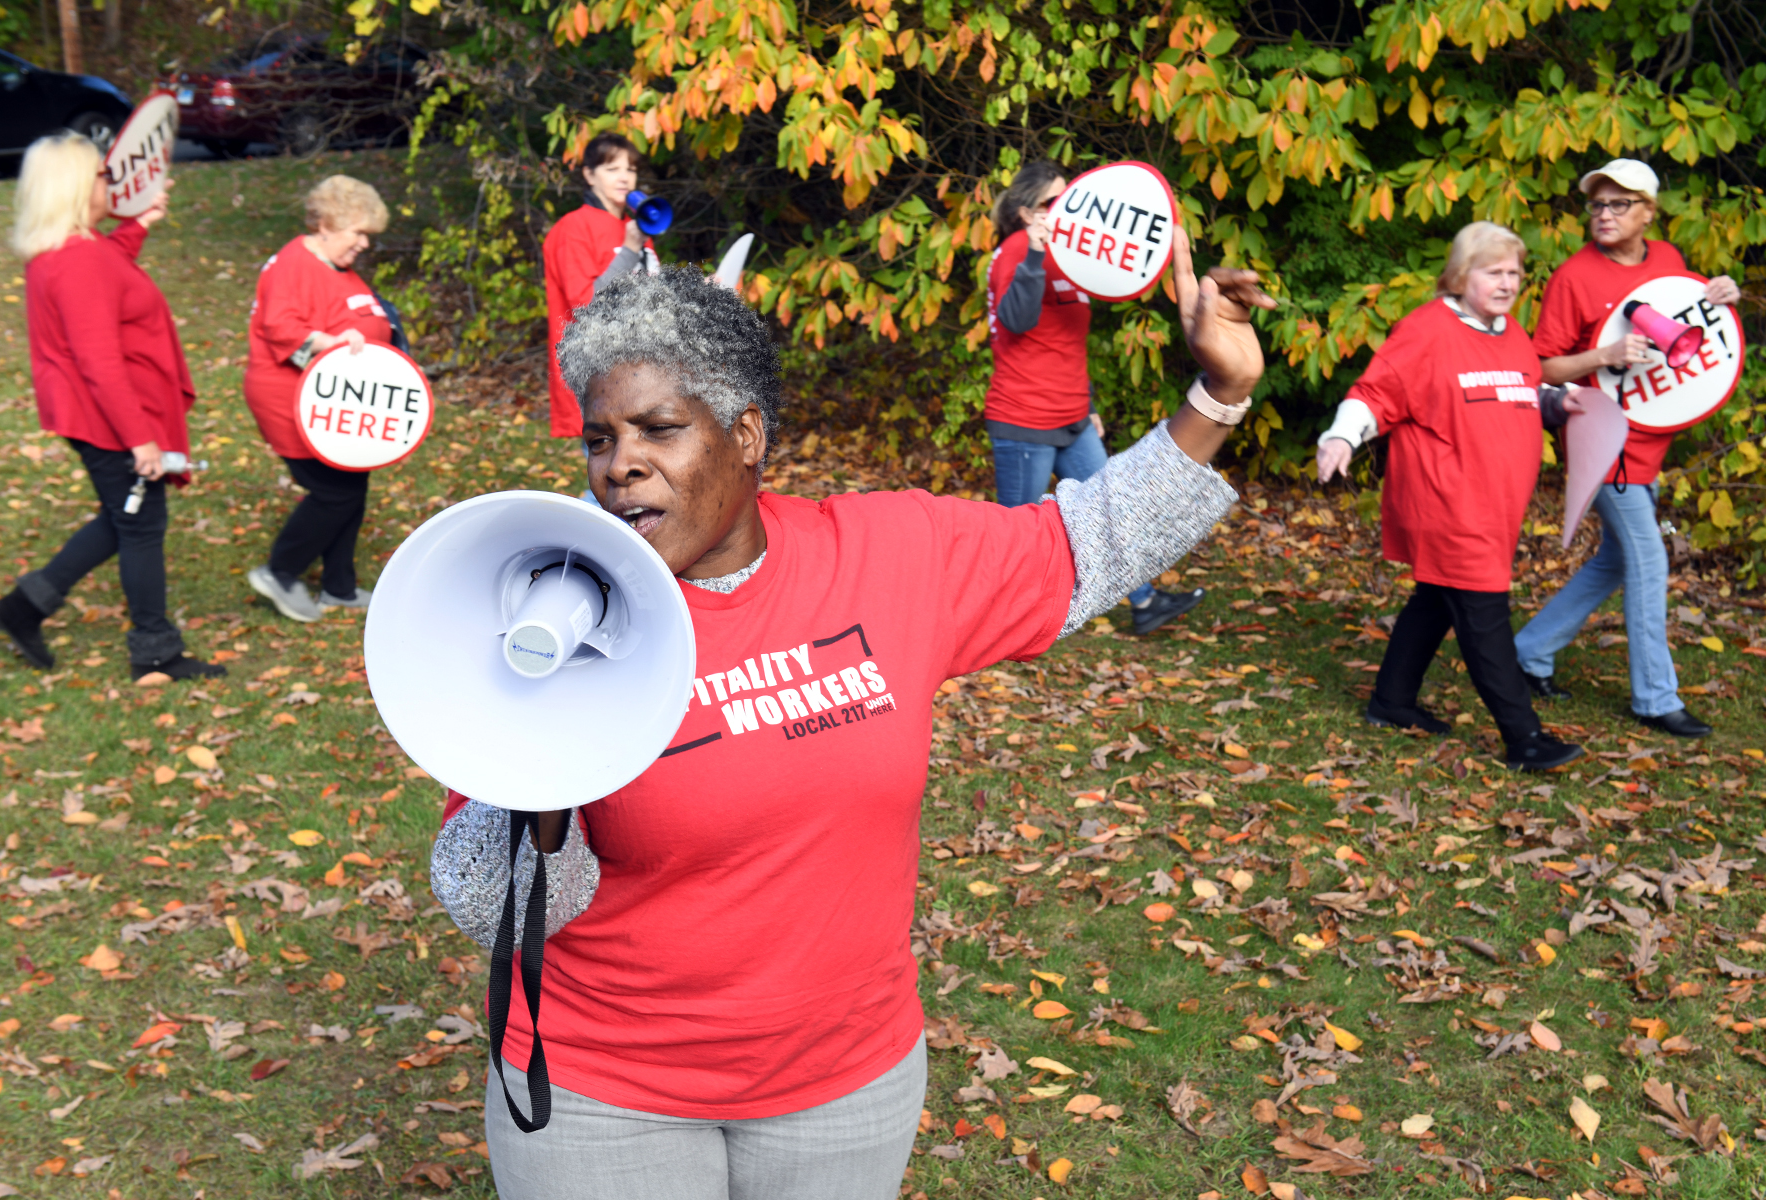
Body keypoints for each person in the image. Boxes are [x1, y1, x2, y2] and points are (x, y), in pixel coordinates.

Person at [427, 234, 1273, 1199]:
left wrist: (1217, 397)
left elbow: (1090, 544)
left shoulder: (890, 554)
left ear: (745, 434)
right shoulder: (549, 612)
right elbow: (497, 905)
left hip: (844, 1085)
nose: (620, 467)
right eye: (601, 439)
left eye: (659, 430)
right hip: (606, 1096)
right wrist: (543, 762)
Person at [1315, 221, 1583, 772]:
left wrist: (1559, 403)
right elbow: (1375, 390)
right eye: (1493, 272)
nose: (1507, 283)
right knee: (1483, 614)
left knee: (1437, 598)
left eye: (1514, 273)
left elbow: (1520, 391)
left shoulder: (1509, 331)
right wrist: (1342, 435)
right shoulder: (1427, 331)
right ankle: (1524, 737)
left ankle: (1391, 702)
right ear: (1461, 275)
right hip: (1449, 502)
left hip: (1495, 504)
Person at [1512, 159, 1742, 739]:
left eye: (1619, 205)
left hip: (1650, 440)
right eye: (1596, 205)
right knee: (1647, 560)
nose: (1604, 215)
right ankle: (1655, 698)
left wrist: (1720, 298)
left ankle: (1528, 653)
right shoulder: (1574, 277)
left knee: (1617, 559)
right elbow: (1541, 367)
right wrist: (1603, 358)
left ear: (1648, 212)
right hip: (1601, 437)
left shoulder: (1668, 264)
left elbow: (1693, 336)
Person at [0, 133, 224, 683]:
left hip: (94, 413)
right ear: (74, 187)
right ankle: (155, 654)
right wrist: (140, 439)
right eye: (100, 175)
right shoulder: (78, 261)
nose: (109, 182)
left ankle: (22, 608)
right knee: (142, 525)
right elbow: (99, 360)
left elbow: (109, 268)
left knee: (125, 518)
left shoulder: (70, 250)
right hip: (109, 416)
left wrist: (140, 223)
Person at [985, 160, 1205, 635]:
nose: (1067, 211)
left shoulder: (1074, 257)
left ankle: (1145, 603)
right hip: (1025, 419)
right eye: (1054, 203)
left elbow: (1065, 344)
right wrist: (1034, 257)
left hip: (1072, 419)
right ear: (1027, 213)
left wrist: (1088, 406)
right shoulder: (1018, 251)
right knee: (1019, 536)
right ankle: (1001, 625)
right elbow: (1016, 323)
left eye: (1072, 200)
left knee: (1114, 513)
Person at [242, 175, 393, 623]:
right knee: (335, 492)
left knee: (351, 485)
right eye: (359, 232)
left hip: (342, 402)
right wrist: (326, 343)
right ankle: (281, 571)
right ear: (327, 224)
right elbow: (279, 326)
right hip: (293, 400)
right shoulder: (294, 264)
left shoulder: (334, 267)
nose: (365, 243)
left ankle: (338, 587)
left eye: (369, 234)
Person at [542, 133, 660, 443]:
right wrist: (629, 251)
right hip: (595, 376)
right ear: (589, 174)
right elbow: (586, 306)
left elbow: (650, 298)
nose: (624, 177)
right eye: (612, 169)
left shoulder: (635, 230)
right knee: (610, 483)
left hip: (640, 373)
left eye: (630, 169)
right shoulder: (573, 228)